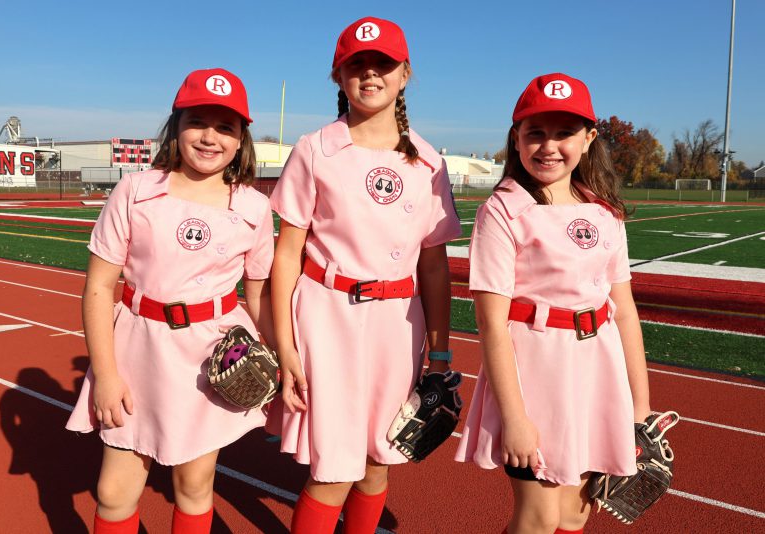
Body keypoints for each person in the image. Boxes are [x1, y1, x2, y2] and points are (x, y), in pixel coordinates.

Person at [267, 16, 462, 534]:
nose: (370, 73)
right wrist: (284, 348)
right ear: (338, 75)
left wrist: (439, 354)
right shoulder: (315, 149)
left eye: (383, 64)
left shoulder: (428, 161)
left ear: (404, 75)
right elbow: (286, 255)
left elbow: (434, 264)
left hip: (398, 324)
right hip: (326, 316)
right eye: (357, 64)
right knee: (333, 469)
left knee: (379, 462)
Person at [65, 68, 275, 534]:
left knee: (195, 486)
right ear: (175, 125)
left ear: (242, 139)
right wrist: (106, 374)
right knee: (114, 492)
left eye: (226, 127)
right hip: (137, 347)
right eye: (197, 121)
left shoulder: (254, 208)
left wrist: (285, 355)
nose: (210, 137)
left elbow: (258, 294)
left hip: (211, 357)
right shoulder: (135, 191)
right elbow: (100, 286)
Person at [454, 73, 652, 534]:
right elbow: (491, 324)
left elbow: (624, 310)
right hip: (535, 373)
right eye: (535, 133)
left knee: (573, 515)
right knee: (538, 519)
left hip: (596, 373)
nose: (549, 146)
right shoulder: (503, 210)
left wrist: (638, 406)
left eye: (564, 132)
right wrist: (515, 418)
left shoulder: (605, 211)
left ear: (589, 139)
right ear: (516, 138)